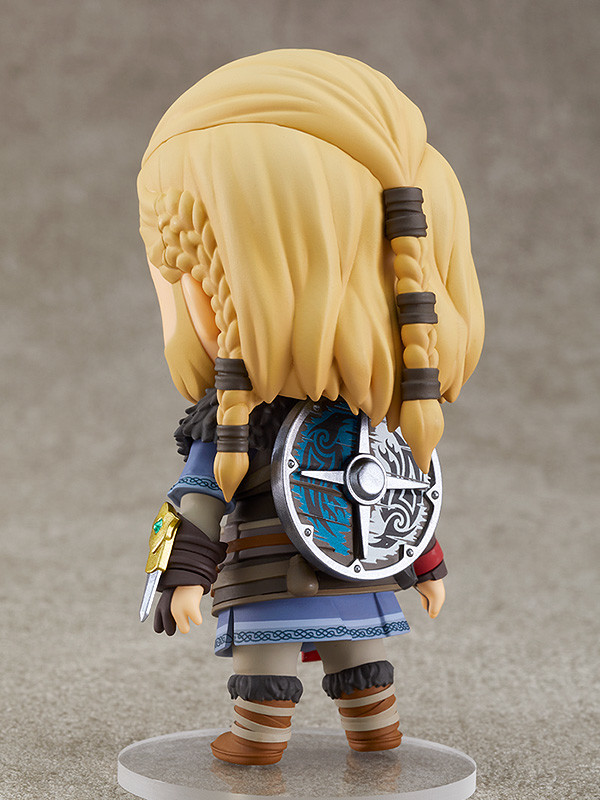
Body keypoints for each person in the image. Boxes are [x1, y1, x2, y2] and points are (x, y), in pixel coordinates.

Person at [137, 49, 484, 766]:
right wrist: (426, 566)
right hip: (351, 566)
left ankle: (272, 737)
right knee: (355, 649)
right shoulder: (323, 414)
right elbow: (399, 491)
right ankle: (360, 727)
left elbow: (202, 496)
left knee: (275, 663)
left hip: (282, 574)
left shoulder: (263, 420)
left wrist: (181, 573)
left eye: (188, 272)